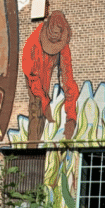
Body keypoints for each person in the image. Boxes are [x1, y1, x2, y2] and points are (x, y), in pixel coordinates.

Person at [21, 10, 79, 143]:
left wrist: (71, 117)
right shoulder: (32, 44)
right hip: (33, 74)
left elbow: (68, 81)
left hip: (45, 70)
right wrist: (44, 102)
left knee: (43, 105)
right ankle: (33, 148)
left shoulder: (62, 42)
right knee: (37, 107)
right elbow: (33, 78)